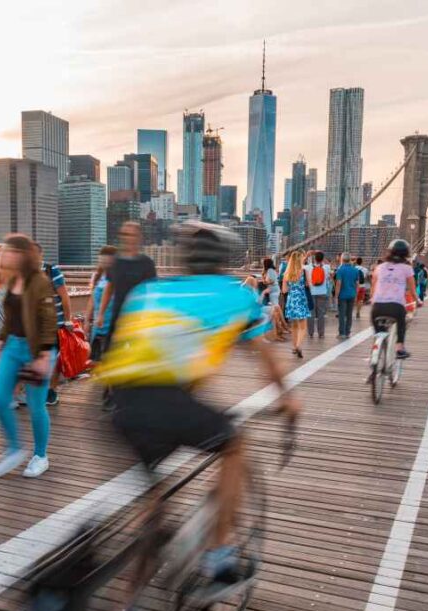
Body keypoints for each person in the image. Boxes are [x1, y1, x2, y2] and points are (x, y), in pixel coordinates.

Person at [96, 221, 298, 588]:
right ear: (223, 261)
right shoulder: (237, 295)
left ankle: (129, 610)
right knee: (235, 446)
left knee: (155, 500)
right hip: (169, 401)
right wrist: (289, 400)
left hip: (117, 402)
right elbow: (265, 359)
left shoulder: (149, 291)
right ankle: (218, 559)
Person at [0, 234, 58, 479]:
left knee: (36, 405)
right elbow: (10, 316)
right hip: (13, 347)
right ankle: (14, 448)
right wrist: (0, 343)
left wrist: (45, 354)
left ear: (20, 254)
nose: (3, 254)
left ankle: (40, 456)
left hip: (36, 348)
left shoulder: (39, 281)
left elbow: (49, 320)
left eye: (7, 250)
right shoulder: (11, 278)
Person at [96, 221, 157, 341]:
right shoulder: (115, 262)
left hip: (139, 320)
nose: (127, 238)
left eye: (131, 235)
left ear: (139, 238)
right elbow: (109, 288)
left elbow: (153, 293)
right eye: (124, 234)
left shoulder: (147, 264)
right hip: (117, 319)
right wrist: (101, 314)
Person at [37, 244, 72, 407]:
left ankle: (51, 391)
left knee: (53, 360)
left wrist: (68, 320)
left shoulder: (52, 271)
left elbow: (65, 297)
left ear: (40, 254)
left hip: (56, 325)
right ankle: (41, 391)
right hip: (37, 328)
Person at [371, 239, 417, 360]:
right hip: (396, 307)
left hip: (377, 308)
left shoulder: (379, 267)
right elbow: (413, 290)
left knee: (378, 334)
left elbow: (373, 287)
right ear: (406, 254)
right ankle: (399, 348)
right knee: (402, 323)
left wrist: (372, 300)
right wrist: (418, 301)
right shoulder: (407, 268)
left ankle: (375, 356)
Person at [85, 245, 117, 364]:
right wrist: (87, 321)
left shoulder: (118, 277)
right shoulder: (96, 277)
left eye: (108, 258)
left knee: (111, 361)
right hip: (98, 326)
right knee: (96, 362)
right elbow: (92, 300)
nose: (104, 261)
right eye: (102, 258)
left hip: (113, 325)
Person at [282, 251, 311, 359]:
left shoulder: (286, 273)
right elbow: (309, 284)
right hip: (301, 299)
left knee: (294, 325)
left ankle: (294, 347)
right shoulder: (303, 271)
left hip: (291, 299)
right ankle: (298, 346)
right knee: (303, 326)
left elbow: (284, 290)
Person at [333, 253, 360, 339]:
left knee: (342, 314)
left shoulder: (340, 270)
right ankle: (348, 332)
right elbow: (357, 284)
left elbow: (338, 283)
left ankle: (342, 333)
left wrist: (336, 295)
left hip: (342, 295)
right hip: (352, 294)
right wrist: (356, 294)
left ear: (342, 259)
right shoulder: (355, 270)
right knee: (349, 314)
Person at [304, 251, 330, 339]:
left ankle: (310, 333)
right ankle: (321, 333)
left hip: (311, 293)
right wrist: (321, 255)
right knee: (321, 314)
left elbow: (300, 264)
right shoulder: (326, 267)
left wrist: (307, 255)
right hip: (322, 293)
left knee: (311, 314)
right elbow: (326, 262)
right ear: (322, 259)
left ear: (314, 259)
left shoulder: (308, 267)